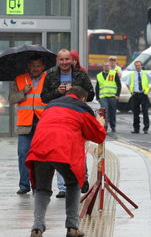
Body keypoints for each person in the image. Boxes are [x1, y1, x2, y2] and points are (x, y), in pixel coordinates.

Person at [25, 86, 106, 237]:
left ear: (68, 94)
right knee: (73, 184)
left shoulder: (51, 105)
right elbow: (98, 136)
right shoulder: (82, 108)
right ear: (82, 98)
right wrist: (100, 123)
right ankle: (72, 227)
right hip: (64, 151)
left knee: (42, 189)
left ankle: (37, 228)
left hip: (39, 149)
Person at [41, 48, 95, 197]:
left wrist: (75, 90)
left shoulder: (81, 75)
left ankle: (82, 178)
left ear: (72, 60)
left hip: (77, 119)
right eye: (61, 59)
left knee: (77, 150)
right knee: (59, 151)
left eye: (67, 59)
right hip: (57, 120)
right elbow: (44, 98)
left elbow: (90, 95)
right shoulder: (50, 77)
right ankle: (63, 187)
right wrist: (58, 92)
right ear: (57, 61)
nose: (64, 62)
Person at [8, 55, 47, 195]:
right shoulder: (19, 79)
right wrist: (23, 92)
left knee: (42, 156)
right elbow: (11, 99)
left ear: (43, 67)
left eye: (38, 65)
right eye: (33, 65)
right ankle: (24, 185)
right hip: (25, 124)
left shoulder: (48, 79)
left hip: (43, 123)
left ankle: (39, 184)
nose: (35, 68)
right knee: (23, 154)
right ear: (28, 66)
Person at [126, 60, 151, 134]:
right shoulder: (132, 74)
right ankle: (136, 129)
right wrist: (131, 91)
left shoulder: (146, 74)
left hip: (143, 94)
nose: (137, 67)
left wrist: (149, 90)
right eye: (136, 65)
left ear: (141, 66)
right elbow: (127, 83)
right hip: (135, 94)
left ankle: (146, 128)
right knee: (135, 113)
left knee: (145, 112)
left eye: (139, 65)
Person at [95, 61, 121, 132]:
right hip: (103, 96)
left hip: (112, 96)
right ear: (103, 67)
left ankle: (113, 126)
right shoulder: (99, 75)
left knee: (112, 112)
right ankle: (104, 126)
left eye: (107, 65)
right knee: (104, 111)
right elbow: (97, 87)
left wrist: (117, 95)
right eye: (105, 65)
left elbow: (119, 84)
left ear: (110, 66)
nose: (106, 67)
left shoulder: (114, 73)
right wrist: (97, 97)